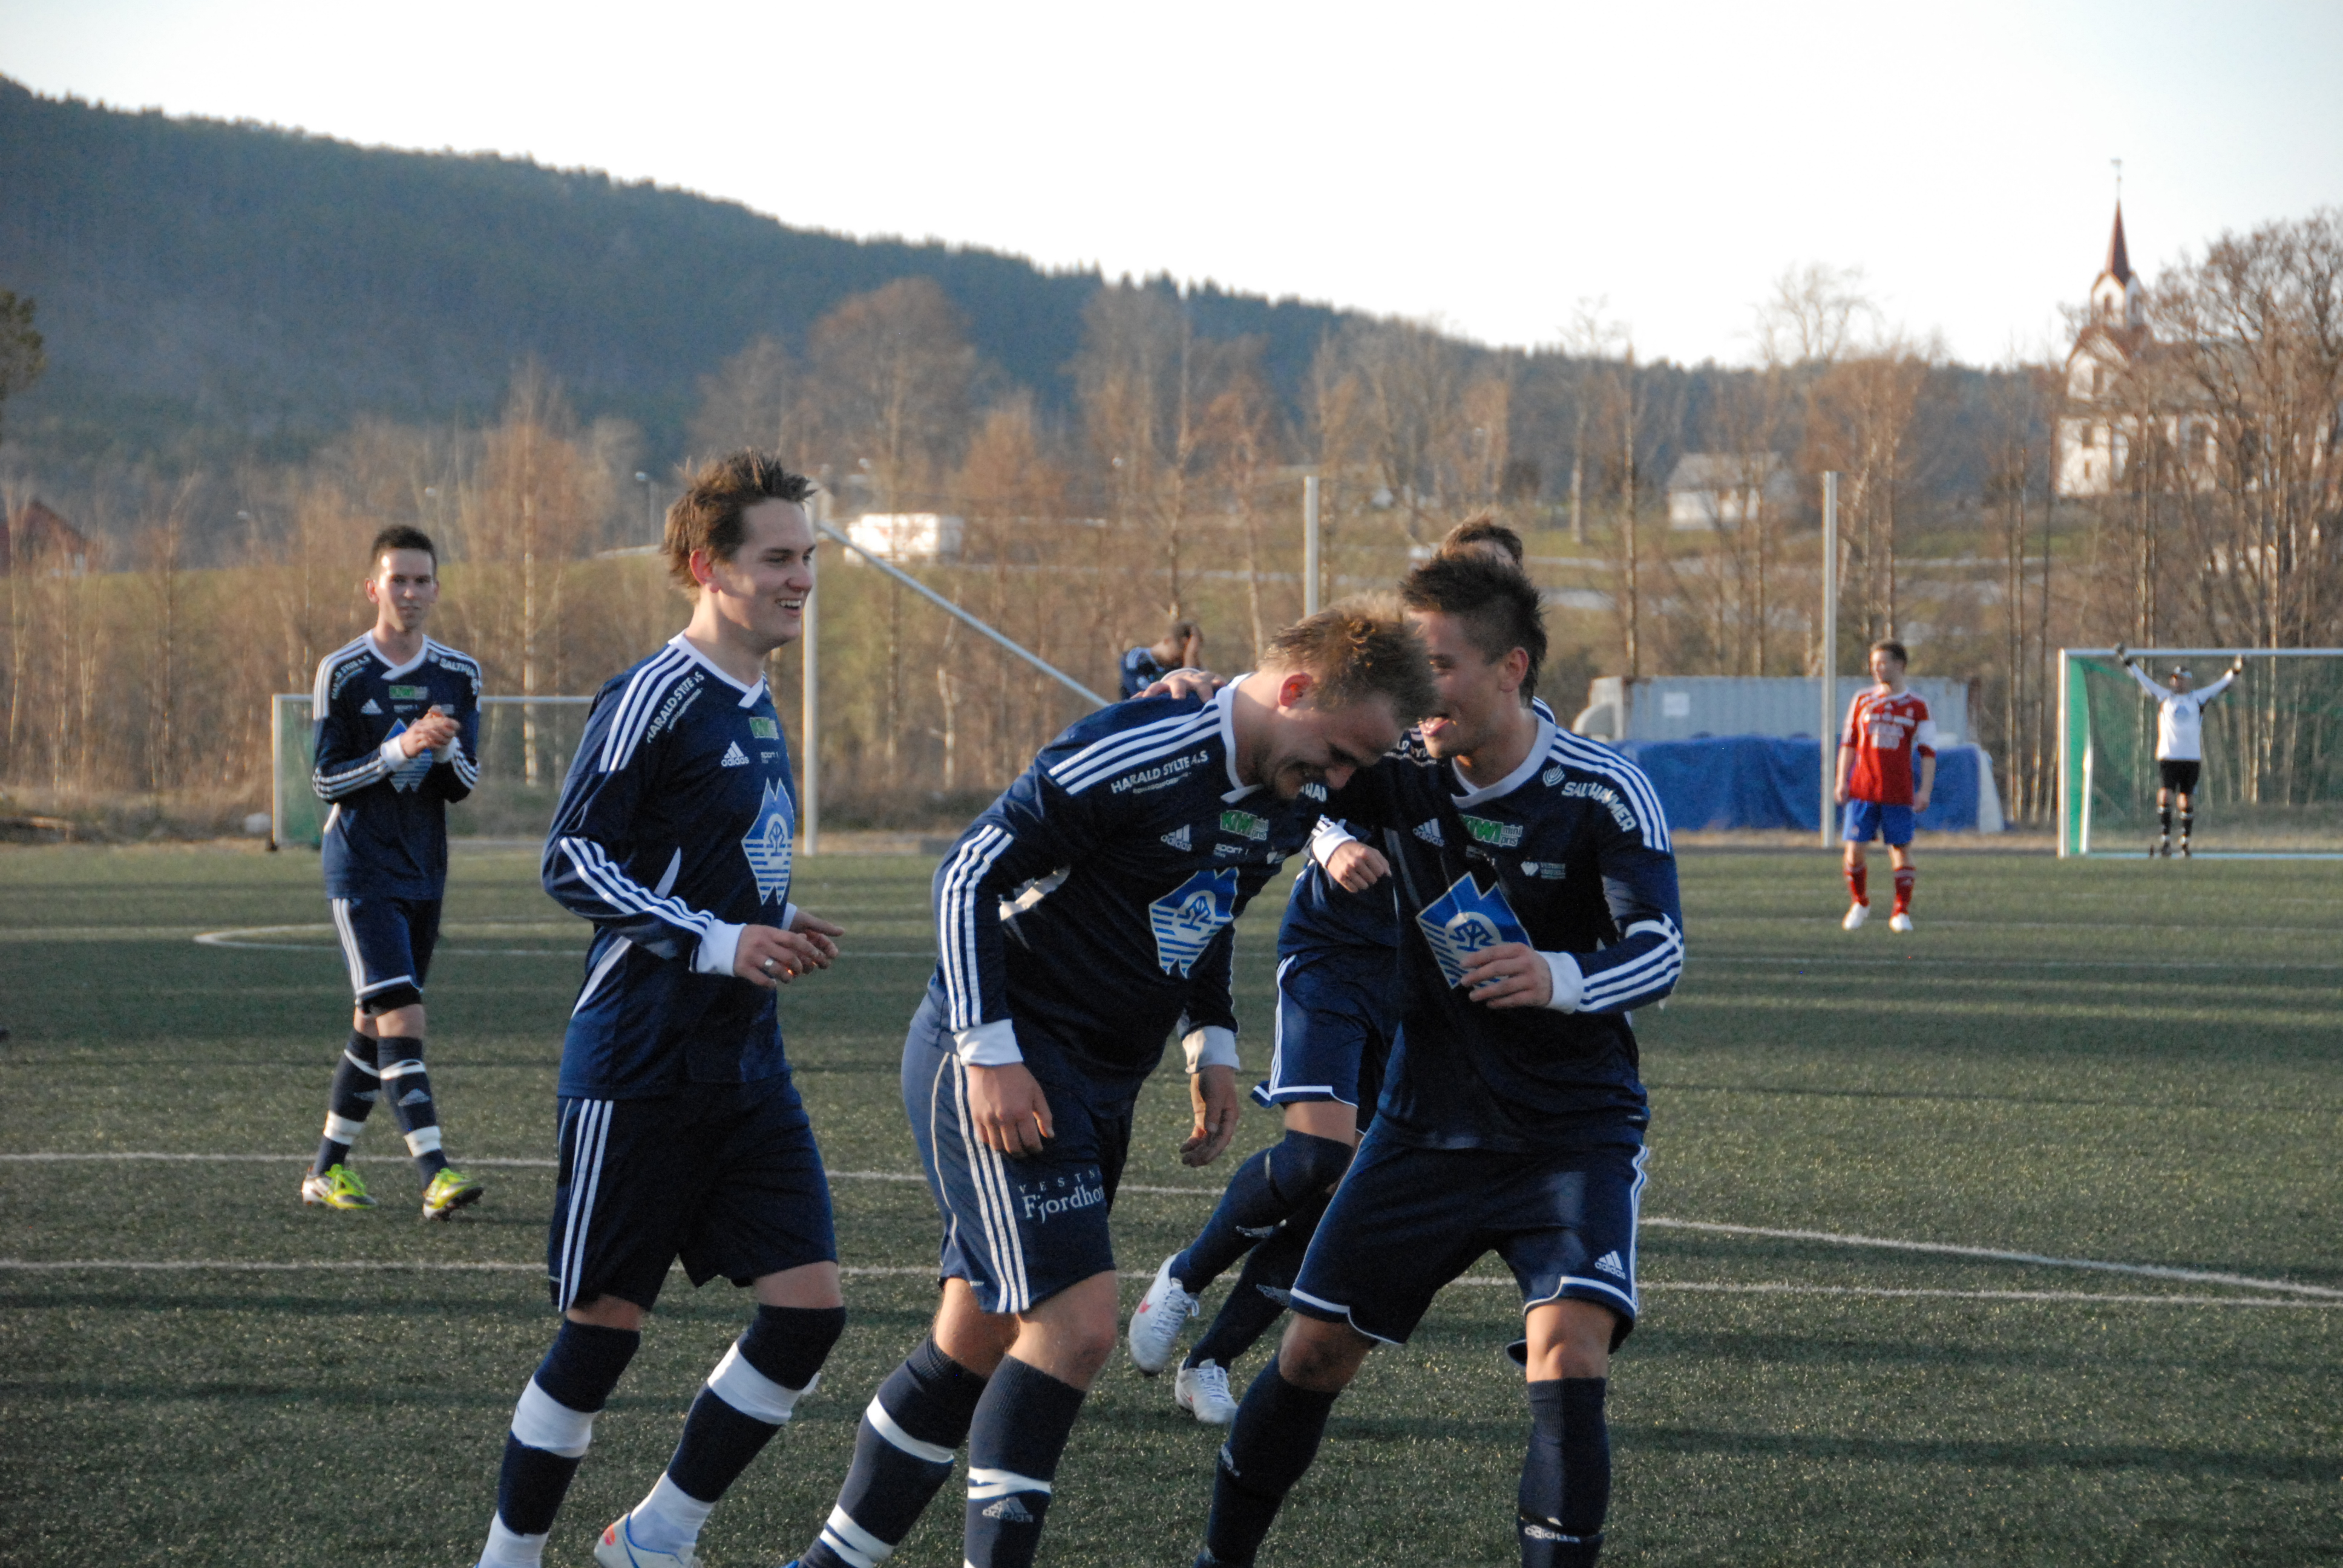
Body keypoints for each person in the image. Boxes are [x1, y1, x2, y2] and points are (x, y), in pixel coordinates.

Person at [775, 603, 1437, 1568]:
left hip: (1106, 1079)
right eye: (1337, 755)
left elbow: (1208, 905)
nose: (1338, 782)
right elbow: (965, 876)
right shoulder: (1143, 748)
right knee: (1077, 1328)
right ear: (1296, 691)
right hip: (1008, 1057)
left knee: (975, 1338)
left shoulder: (1288, 789)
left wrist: (1210, 1041)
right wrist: (991, 1054)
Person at [1192, 551, 1684, 1568]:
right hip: (1423, 1128)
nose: (1421, 692)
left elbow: (1661, 952)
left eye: (1441, 666)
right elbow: (1299, 759)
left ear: (1512, 668)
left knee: (1568, 1354)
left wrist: (1557, 974)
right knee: (1311, 1354)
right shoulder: (1402, 769)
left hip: (1570, 1135)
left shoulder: (1602, 792)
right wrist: (1217, 698)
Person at [470, 452, 850, 1568]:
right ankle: (506, 1559)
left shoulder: (757, 701)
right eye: (776, 558)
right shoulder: (655, 692)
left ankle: (655, 1536)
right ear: (706, 566)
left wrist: (769, 916)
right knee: (602, 1332)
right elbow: (573, 857)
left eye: (807, 557)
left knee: (809, 1313)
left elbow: (695, 856)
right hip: (637, 1060)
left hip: (744, 1065)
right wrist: (722, 938)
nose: (800, 578)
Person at [1129, 513, 1548, 1425]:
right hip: (1331, 953)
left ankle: (1209, 1360)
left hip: (1422, 981)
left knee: (1344, 1188)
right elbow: (1304, 754)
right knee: (1318, 1154)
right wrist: (1328, 844)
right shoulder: (1387, 692)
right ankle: (1186, 1276)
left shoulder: (1525, 737)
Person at [300, 525, 485, 1220]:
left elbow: (463, 785)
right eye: (397, 579)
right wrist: (399, 747)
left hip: (424, 870)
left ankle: (325, 1172)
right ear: (372, 587)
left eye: (421, 580)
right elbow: (325, 781)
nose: (409, 592)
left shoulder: (460, 674)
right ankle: (435, 1173)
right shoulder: (343, 671)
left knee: (375, 1024)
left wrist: (440, 751)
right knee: (402, 1014)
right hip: (361, 870)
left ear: (436, 589)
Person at [1835, 639, 1935, 933]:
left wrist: (1925, 791)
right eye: (1873, 664)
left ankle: (1900, 911)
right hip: (1863, 790)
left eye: (1882, 663)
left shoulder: (1918, 706)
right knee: (1854, 851)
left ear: (1899, 665)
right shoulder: (1862, 700)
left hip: (1898, 791)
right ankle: (1860, 903)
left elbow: (1928, 752)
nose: (1876, 669)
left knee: (1900, 850)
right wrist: (1841, 780)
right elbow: (1849, 743)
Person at [2117, 644, 2243, 857]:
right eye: (2175, 678)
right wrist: (2127, 660)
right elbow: (2143, 680)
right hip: (2169, 756)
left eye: (2181, 679)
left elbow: (2221, 685)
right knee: (2166, 795)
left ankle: (2185, 841)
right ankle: (2165, 839)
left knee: (2186, 799)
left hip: (2191, 757)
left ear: (2188, 681)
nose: (2177, 682)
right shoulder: (2165, 696)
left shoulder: (2198, 698)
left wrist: (2236, 669)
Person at [1120, 617, 1205, 698]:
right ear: (1167, 641)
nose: (1179, 662)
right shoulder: (1136, 659)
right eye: (1177, 657)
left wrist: (1191, 662)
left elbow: (1201, 693)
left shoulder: (1180, 666)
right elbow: (1147, 695)